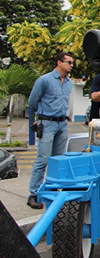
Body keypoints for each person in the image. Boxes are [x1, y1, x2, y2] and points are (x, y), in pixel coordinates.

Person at [27, 52, 74, 209]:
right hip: (47, 124)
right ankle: (33, 194)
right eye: (69, 62)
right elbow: (33, 101)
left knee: (58, 159)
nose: (71, 65)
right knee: (43, 158)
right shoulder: (44, 80)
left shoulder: (69, 83)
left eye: (72, 63)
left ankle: (53, 188)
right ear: (59, 63)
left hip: (62, 124)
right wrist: (39, 118)